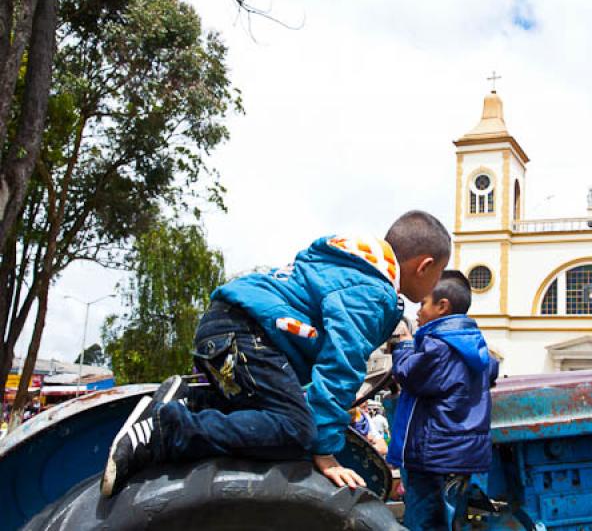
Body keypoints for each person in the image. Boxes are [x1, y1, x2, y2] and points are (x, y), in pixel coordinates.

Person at [101, 210, 451, 497]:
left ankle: (196, 403)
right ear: (425, 265)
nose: (431, 289)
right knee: (297, 431)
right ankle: (165, 430)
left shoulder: (343, 266)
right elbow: (341, 365)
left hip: (222, 326)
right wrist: (324, 451)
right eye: (436, 278)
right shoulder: (374, 293)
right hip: (251, 333)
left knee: (266, 417)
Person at [387, 270, 498, 531]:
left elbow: (409, 375)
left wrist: (403, 345)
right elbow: (490, 370)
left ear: (442, 307)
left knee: (426, 520)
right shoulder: (473, 345)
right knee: (448, 517)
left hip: (432, 455)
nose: (417, 312)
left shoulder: (438, 348)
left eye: (423, 304)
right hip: (458, 455)